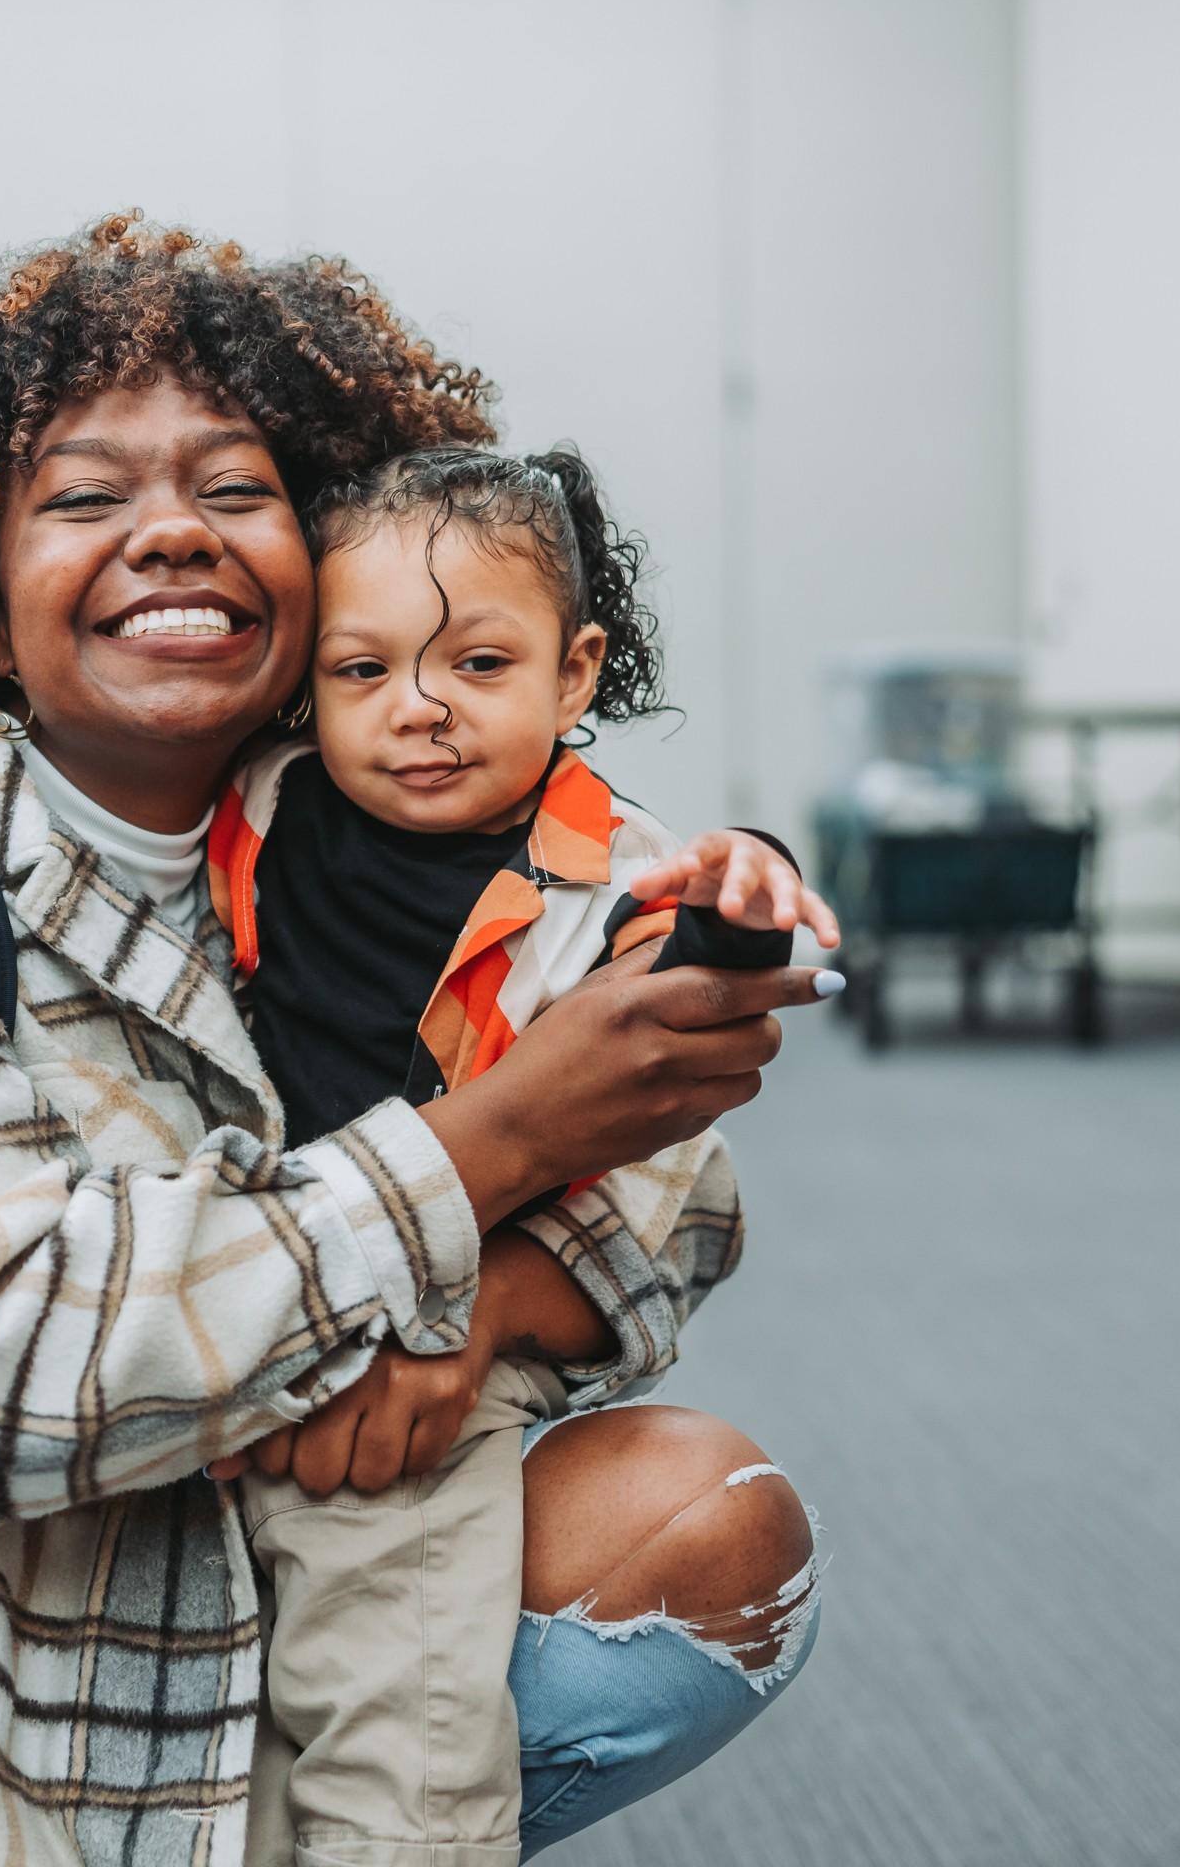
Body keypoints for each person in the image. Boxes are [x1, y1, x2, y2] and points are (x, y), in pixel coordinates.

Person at [0, 216, 831, 1867]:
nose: (171, 533)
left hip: (252, 1623)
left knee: (708, 1521)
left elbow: (680, 1185)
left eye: (237, 493)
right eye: (86, 499)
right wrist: (487, 1153)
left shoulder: (352, 826)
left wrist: (478, 1306)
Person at [207, 443, 835, 1866]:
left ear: (574, 672)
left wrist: (743, 887)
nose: (417, 710)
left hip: (440, 1322)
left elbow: (685, 966)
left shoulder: (611, 866)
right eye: (364, 673)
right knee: (226, 1724)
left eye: (478, 665)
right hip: (263, 1288)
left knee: (394, 1694)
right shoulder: (266, 796)